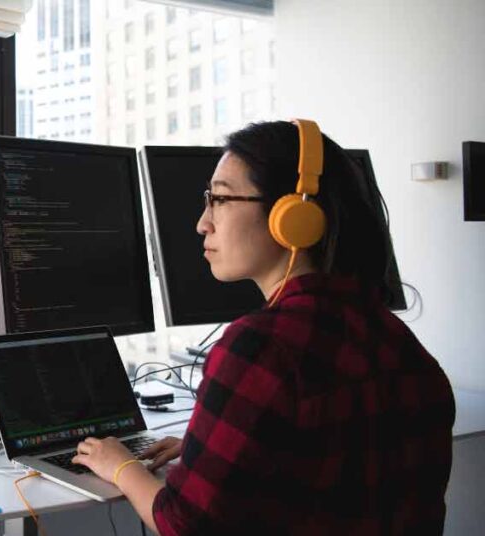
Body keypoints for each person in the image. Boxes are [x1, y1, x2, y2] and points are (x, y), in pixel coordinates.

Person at [71, 120, 455, 534]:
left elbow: (185, 524)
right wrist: (212, 451)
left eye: (219, 199)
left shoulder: (262, 348)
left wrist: (122, 465)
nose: (203, 222)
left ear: (293, 217)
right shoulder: (400, 342)